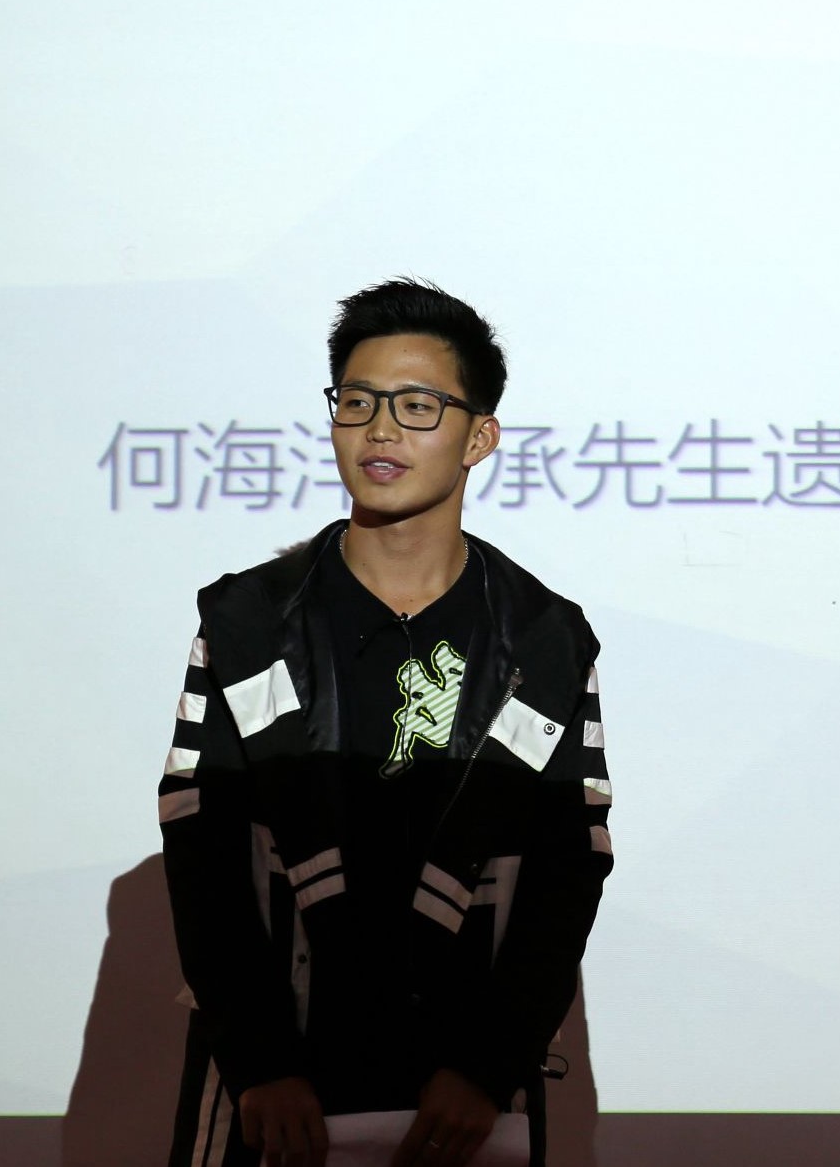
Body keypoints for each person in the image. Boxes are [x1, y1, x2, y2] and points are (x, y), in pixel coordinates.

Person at [159, 280, 613, 1167]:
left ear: (479, 437)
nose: (379, 430)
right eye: (358, 402)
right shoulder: (249, 624)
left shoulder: (545, 640)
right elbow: (200, 847)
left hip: (464, 1094)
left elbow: (571, 867)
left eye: (417, 406)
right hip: (279, 1088)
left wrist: (486, 1068)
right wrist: (259, 1062)